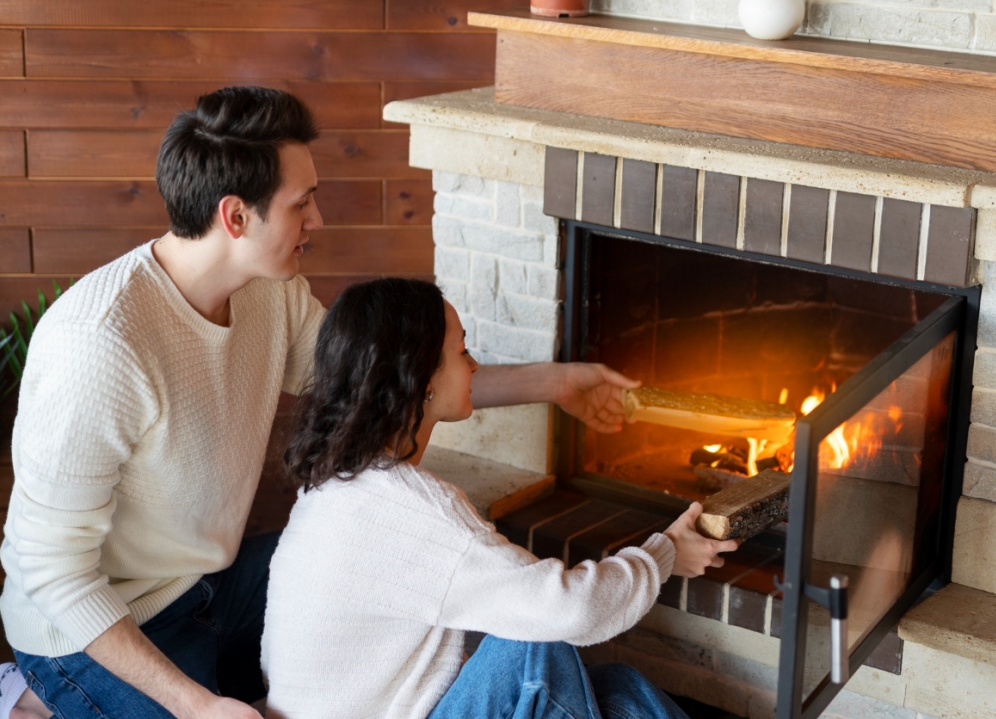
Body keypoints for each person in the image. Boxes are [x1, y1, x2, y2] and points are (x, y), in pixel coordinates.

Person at [0, 86, 639, 719]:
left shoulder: (269, 290)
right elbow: (54, 576)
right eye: (302, 203)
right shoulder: (100, 345)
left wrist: (553, 383)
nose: (317, 219)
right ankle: (27, 699)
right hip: (89, 629)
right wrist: (197, 706)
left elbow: (392, 383)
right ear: (235, 215)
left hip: (212, 582)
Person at [261, 278, 740, 719]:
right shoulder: (409, 508)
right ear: (422, 378)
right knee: (533, 648)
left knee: (617, 687)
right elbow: (568, 610)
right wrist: (665, 553)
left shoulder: (338, 485)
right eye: (462, 351)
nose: (472, 365)